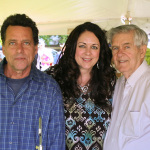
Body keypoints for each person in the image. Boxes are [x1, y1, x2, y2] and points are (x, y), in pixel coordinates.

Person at [46, 22, 116, 150]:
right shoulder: (52, 78)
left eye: (94, 47)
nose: (88, 52)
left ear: (100, 51)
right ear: (73, 48)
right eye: (82, 46)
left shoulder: (110, 81)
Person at [0, 14, 65, 150]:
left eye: (26, 43)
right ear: (3, 48)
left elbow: (56, 144)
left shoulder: (50, 89)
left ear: (35, 49)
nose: (19, 50)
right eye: (12, 43)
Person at [103, 24, 150, 150]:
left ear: (142, 51)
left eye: (127, 47)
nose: (120, 53)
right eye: (115, 48)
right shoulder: (119, 83)